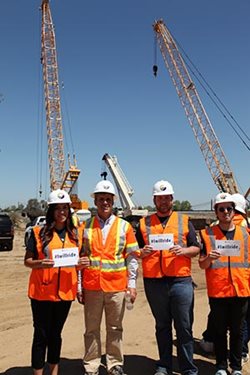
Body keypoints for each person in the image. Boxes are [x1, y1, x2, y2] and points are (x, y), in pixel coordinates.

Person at [136, 180, 200, 375]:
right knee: (162, 326)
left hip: (180, 281)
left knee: (184, 327)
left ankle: (188, 368)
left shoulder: (184, 220)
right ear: (154, 200)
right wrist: (142, 252)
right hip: (154, 282)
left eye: (166, 198)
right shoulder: (143, 223)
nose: (163, 201)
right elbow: (134, 250)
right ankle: (164, 365)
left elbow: (197, 248)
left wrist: (184, 250)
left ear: (172, 199)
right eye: (159, 198)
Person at [24, 189, 90, 375]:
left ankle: (54, 372)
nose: (62, 212)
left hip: (64, 294)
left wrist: (82, 264)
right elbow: (27, 261)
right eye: (57, 208)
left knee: (56, 335)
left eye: (65, 208)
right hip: (41, 293)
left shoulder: (75, 235)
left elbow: (77, 263)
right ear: (51, 210)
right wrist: (39, 264)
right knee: (41, 335)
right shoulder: (38, 233)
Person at [79, 180, 140, 375]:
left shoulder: (124, 227)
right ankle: (91, 364)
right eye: (101, 199)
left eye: (108, 199)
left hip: (116, 286)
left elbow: (132, 258)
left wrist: (131, 284)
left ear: (113, 201)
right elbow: (80, 259)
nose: (104, 202)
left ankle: (114, 363)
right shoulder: (85, 227)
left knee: (115, 327)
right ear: (95, 201)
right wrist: (79, 285)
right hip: (92, 285)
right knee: (91, 329)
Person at [199, 192, 250, 375]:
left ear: (233, 210)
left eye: (229, 208)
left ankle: (236, 367)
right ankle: (220, 367)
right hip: (218, 291)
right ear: (216, 212)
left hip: (240, 290)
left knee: (238, 331)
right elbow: (201, 263)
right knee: (220, 332)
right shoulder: (207, 235)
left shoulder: (246, 234)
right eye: (222, 209)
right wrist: (209, 259)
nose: (226, 212)